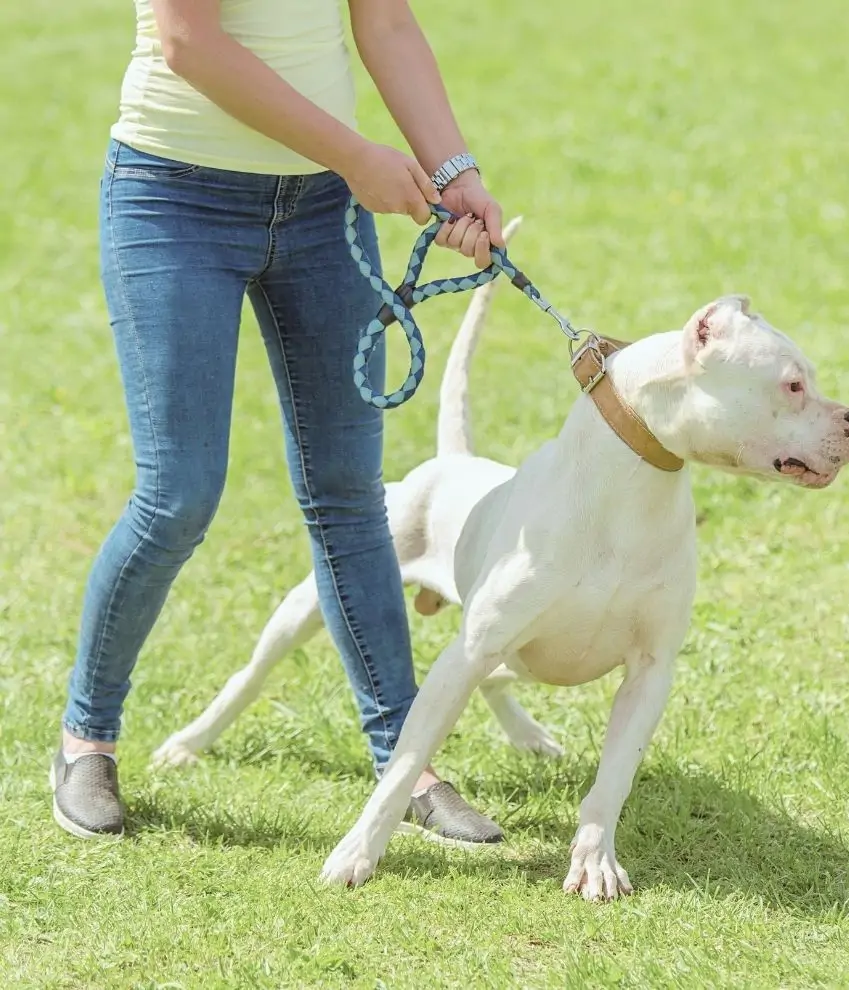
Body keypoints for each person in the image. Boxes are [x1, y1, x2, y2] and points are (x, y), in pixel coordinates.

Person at [53, 0, 507, 845]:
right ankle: (86, 738)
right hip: (174, 203)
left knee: (347, 494)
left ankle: (405, 764)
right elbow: (189, 43)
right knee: (178, 494)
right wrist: (358, 156)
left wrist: (452, 170)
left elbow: (387, 24)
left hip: (320, 214)